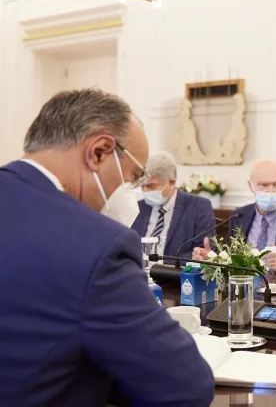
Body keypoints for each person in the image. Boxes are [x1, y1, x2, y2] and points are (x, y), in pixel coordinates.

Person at [0, 89, 214, 406]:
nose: (134, 193)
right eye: (134, 177)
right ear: (99, 152)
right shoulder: (95, 245)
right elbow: (185, 386)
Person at [194, 158, 276, 277]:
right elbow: (232, 264)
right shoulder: (239, 216)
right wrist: (212, 260)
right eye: (263, 185)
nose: (271, 191)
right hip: (244, 290)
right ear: (250, 186)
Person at [132, 151, 216, 262]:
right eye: (142, 186)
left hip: (174, 271)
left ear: (171, 183)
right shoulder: (138, 207)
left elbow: (201, 252)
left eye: (151, 186)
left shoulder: (198, 207)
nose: (145, 191)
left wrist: (160, 263)